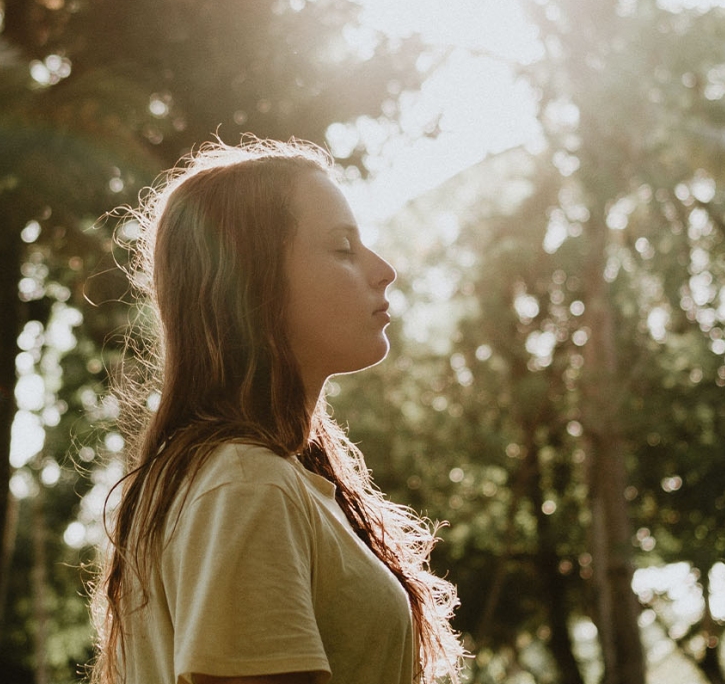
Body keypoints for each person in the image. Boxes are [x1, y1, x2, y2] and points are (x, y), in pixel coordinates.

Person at [89, 138, 464, 684]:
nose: (385, 270)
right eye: (342, 248)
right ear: (251, 283)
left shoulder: (255, 479)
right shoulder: (248, 486)